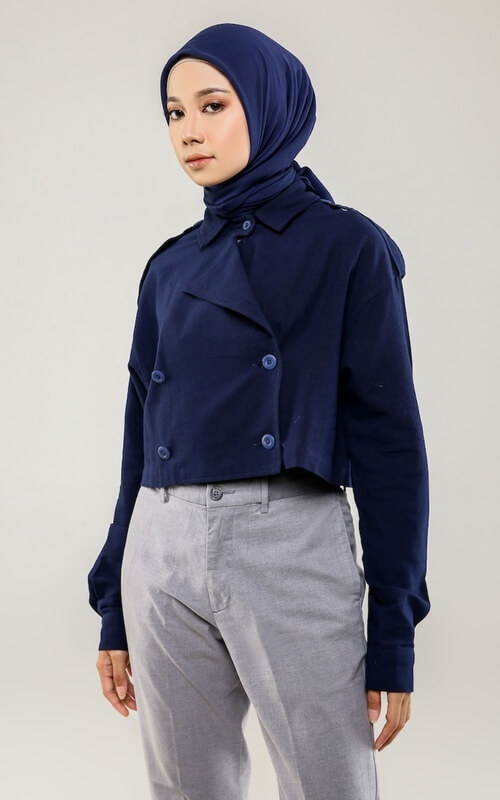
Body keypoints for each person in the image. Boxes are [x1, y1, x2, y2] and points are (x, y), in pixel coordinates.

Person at [87, 22, 431, 800]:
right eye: (175, 113)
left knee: (330, 786)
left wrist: (395, 629)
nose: (190, 131)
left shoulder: (348, 246)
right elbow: (140, 441)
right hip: (160, 552)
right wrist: (114, 603)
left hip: (288, 542)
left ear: (270, 106)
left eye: (213, 105)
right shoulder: (170, 266)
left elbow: (390, 443)